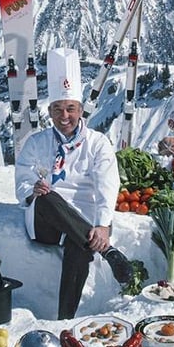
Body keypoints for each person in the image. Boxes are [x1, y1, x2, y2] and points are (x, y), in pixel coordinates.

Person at [15, 47, 131, 320]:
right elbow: (21, 179)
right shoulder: (36, 142)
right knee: (46, 196)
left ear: (80, 110)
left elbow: (107, 184)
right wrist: (31, 189)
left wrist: (102, 224)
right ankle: (109, 252)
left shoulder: (97, 143)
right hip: (47, 223)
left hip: (88, 222)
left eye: (70, 109)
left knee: (81, 246)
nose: (64, 116)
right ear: (49, 111)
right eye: (57, 109)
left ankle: (64, 320)